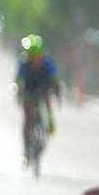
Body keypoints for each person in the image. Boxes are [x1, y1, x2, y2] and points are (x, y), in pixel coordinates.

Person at [16, 34, 59, 165]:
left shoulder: (49, 63)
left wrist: (57, 92)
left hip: (43, 87)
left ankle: (50, 119)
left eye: (37, 56)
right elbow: (17, 80)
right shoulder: (23, 63)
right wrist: (17, 90)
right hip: (29, 90)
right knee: (28, 116)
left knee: (47, 97)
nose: (35, 60)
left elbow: (55, 81)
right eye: (31, 56)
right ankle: (27, 149)